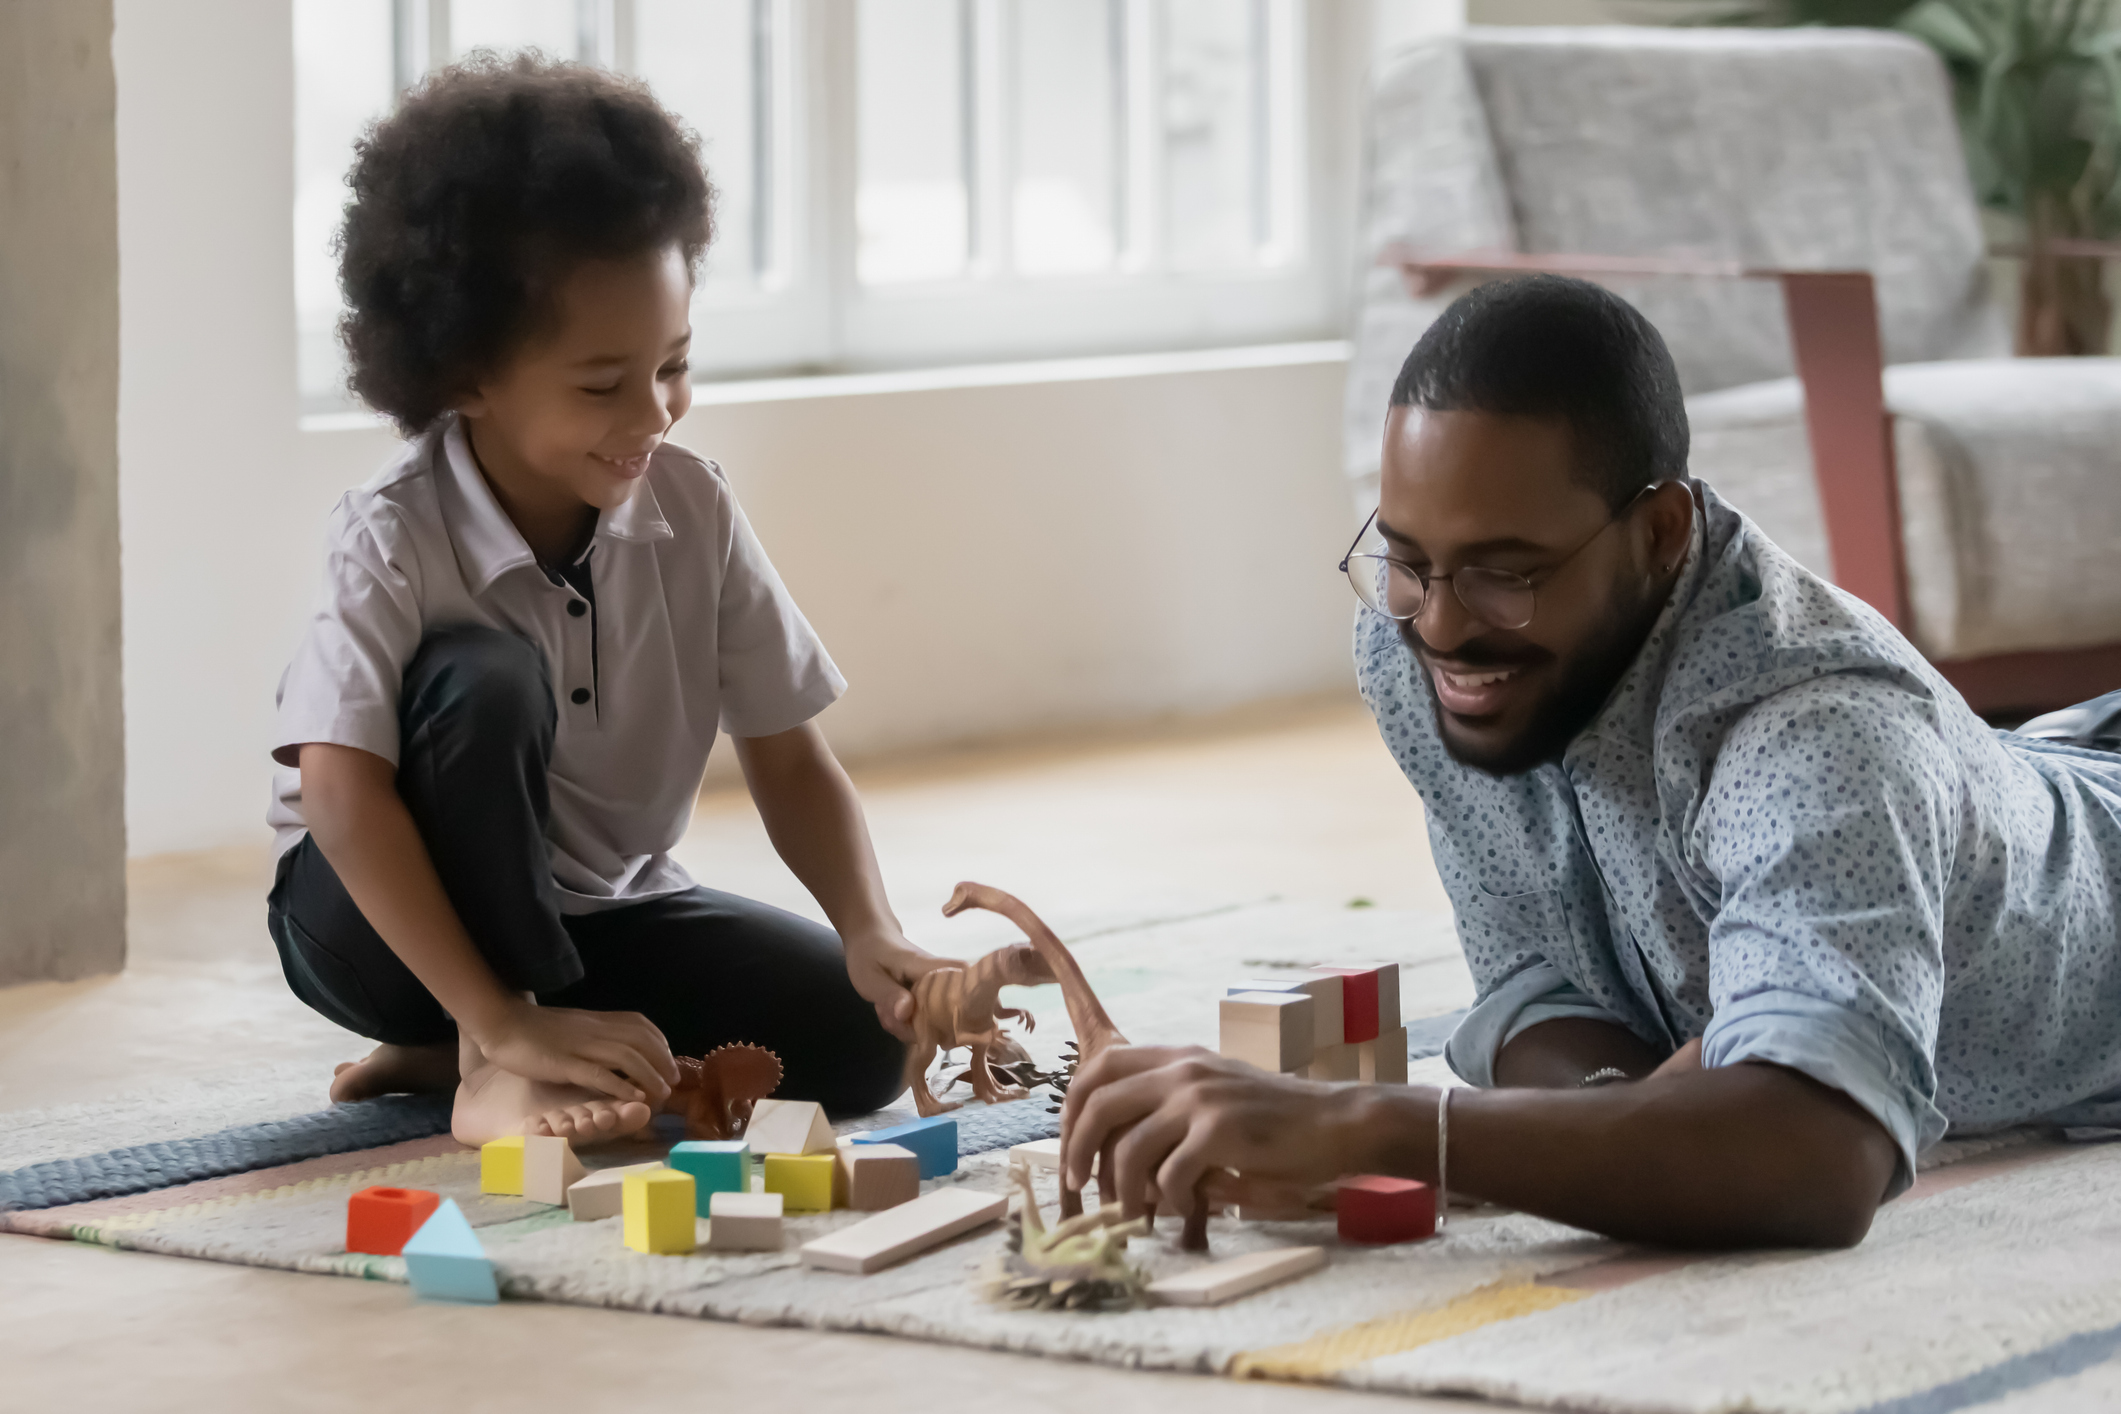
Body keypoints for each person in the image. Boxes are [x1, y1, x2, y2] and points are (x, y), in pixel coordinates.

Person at [1061, 276, 2121, 1248]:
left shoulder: (1824, 737)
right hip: (2023, 772)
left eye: (1504, 574)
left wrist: (1370, 1124)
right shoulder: (1417, 646)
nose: (1440, 627)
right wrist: (1629, 1111)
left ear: (1660, 531)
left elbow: (1813, 1152)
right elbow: (1540, 978)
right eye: (1409, 559)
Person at [267, 55, 948, 1147]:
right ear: (466, 371)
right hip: (375, 930)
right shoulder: (391, 531)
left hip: (601, 920)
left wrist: (869, 927)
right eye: (602, 383)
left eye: (672, 364)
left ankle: (475, 1049)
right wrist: (496, 1009)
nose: (655, 413)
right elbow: (341, 799)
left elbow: (787, 753)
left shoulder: (695, 509)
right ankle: (486, 1049)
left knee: (863, 1046)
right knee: (484, 678)